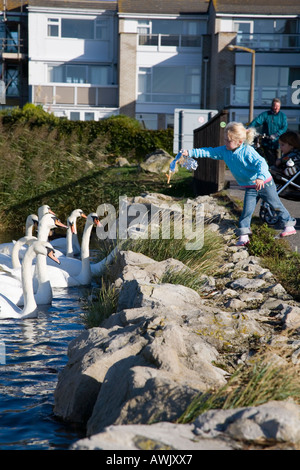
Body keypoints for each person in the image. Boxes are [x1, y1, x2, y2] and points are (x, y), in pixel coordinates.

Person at [172, 121, 296, 246]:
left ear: (239, 142)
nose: (225, 142)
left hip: (264, 183)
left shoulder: (247, 151)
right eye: (225, 139)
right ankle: (243, 235)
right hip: (250, 186)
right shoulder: (225, 150)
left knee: (275, 204)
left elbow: (262, 163)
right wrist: (190, 152)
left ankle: (289, 225)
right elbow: (209, 152)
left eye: (228, 141)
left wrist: (260, 177)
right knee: (247, 210)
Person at [249, 98, 288, 166]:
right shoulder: (266, 115)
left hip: (278, 143)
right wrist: (249, 128)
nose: (276, 108)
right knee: (270, 161)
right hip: (267, 142)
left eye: (278, 106)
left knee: (278, 161)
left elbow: (284, 127)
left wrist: (276, 134)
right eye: (275, 106)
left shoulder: (282, 116)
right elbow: (257, 121)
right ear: (272, 106)